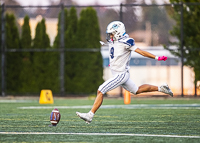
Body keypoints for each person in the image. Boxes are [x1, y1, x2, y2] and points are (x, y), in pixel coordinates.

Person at [76, 21, 173, 124]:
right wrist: (113, 64)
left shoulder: (126, 42)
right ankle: (161, 88)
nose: (110, 36)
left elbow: (142, 52)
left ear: (118, 33)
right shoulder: (113, 42)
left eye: (112, 33)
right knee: (136, 90)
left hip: (121, 74)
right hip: (118, 73)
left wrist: (156, 57)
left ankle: (90, 115)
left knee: (100, 90)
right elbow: (117, 54)